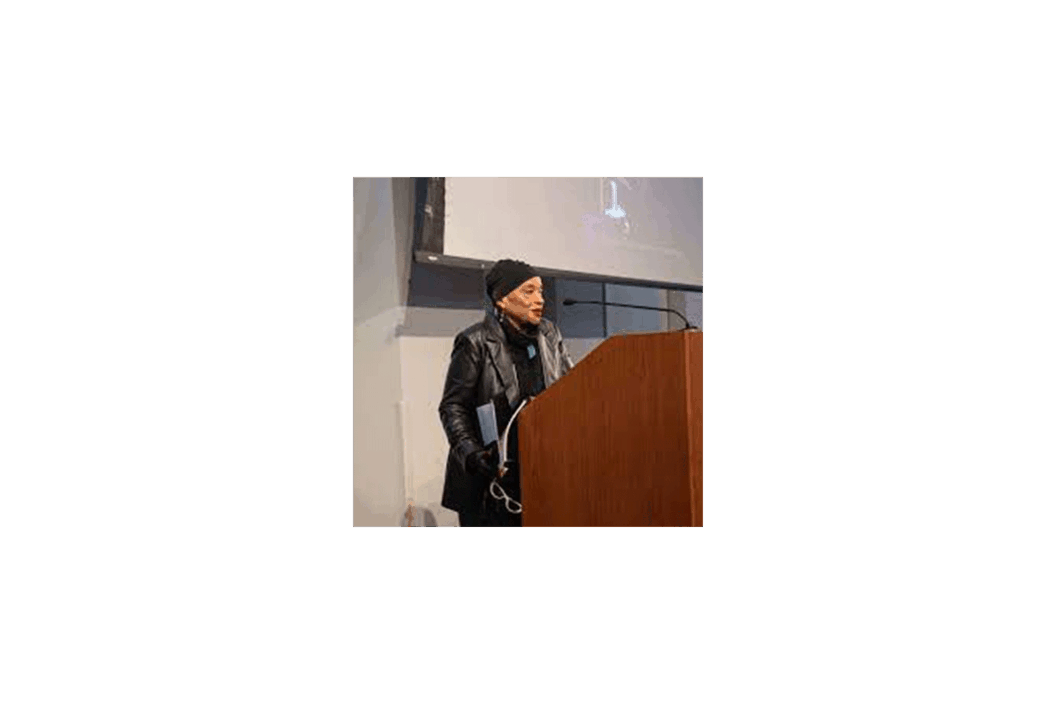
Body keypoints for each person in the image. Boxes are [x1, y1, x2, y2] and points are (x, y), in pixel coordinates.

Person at [438, 259, 575, 527]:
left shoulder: (549, 334)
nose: (540, 300)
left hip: (542, 471)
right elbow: (452, 407)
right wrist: (473, 455)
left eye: (541, 291)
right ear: (501, 299)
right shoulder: (475, 342)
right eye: (529, 291)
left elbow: (572, 387)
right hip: (490, 479)